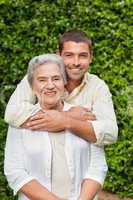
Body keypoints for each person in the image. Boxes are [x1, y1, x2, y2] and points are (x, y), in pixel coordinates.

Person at [4, 54, 108, 200]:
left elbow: (98, 167)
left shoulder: (83, 115)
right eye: (42, 80)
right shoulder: (21, 121)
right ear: (32, 87)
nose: (50, 85)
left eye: (56, 78)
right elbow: (14, 171)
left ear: (64, 83)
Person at [4, 30, 118, 146]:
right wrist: (72, 116)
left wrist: (66, 121)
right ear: (58, 55)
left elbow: (110, 132)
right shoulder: (39, 75)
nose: (76, 62)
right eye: (69, 55)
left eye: (82, 56)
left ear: (91, 57)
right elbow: (12, 112)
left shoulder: (97, 86)